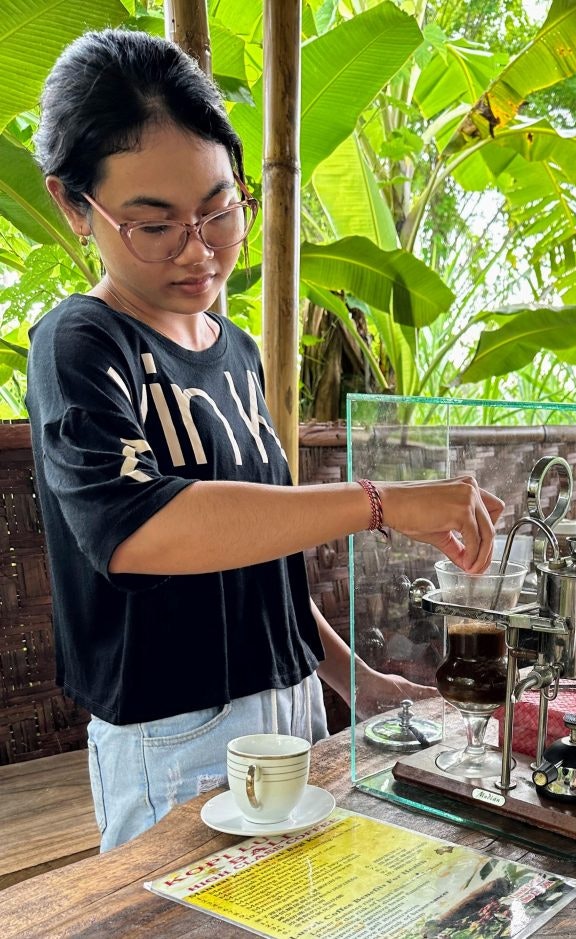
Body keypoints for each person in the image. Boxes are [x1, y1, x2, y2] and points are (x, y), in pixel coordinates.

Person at [28, 28, 503, 852]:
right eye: (154, 225)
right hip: (174, 732)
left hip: (294, 707)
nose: (199, 249)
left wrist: (362, 682)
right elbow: (139, 530)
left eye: (219, 208)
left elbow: (260, 558)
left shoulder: (237, 352)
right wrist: (378, 504)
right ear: (76, 206)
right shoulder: (82, 344)